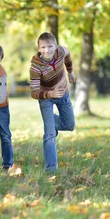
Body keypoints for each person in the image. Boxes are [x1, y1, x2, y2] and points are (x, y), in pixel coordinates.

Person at [29, 32, 76, 172]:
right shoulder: (35, 67)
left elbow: (68, 55)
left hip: (63, 93)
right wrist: (50, 94)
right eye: (43, 47)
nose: (47, 50)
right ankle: (51, 169)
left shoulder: (61, 51)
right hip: (46, 98)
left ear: (55, 46)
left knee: (70, 125)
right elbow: (34, 93)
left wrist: (70, 71)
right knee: (49, 134)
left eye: (50, 46)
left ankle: (52, 122)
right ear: (38, 48)